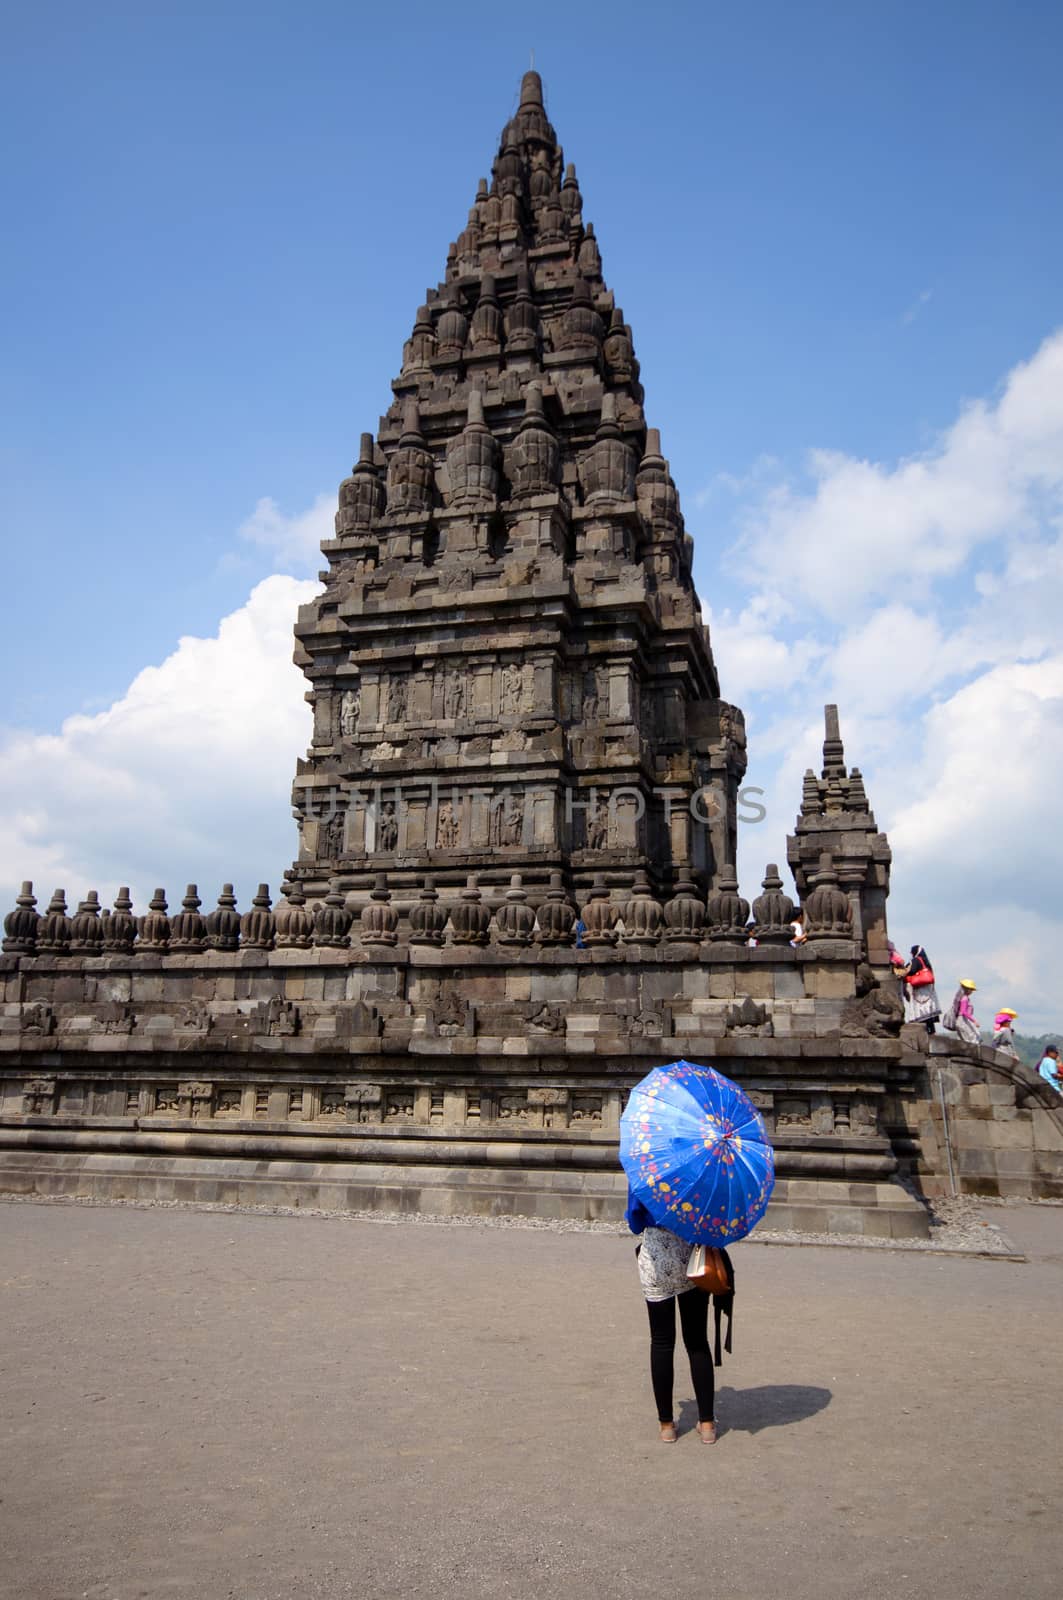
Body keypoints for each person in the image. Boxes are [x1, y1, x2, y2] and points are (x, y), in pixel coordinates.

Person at [626, 1191, 717, 1444]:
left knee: (662, 1342)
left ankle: (666, 1424)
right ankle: (707, 1423)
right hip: (693, 1259)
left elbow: (634, 1220)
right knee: (697, 1341)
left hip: (655, 1259)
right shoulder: (700, 1171)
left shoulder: (648, 1165)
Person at [896, 945, 941, 1035]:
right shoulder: (925, 961)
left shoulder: (916, 960)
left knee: (921, 1012)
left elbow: (910, 971)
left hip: (920, 990)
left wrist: (902, 970)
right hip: (928, 991)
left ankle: (926, 1033)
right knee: (928, 1012)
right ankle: (931, 1031)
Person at [950, 979, 980, 1046]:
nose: (972, 991)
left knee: (962, 1038)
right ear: (967, 989)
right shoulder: (965, 998)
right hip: (963, 1021)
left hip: (961, 1020)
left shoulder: (962, 998)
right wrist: (974, 1021)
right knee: (972, 1036)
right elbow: (964, 1012)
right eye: (971, 989)